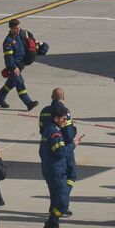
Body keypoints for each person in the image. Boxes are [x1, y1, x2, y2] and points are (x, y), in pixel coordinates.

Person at [39, 88, 78, 216]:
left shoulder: (44, 111)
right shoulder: (65, 112)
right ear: (63, 97)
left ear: (52, 96)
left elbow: (40, 128)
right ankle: (62, 203)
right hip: (63, 146)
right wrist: (72, 144)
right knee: (71, 175)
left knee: (52, 184)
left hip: (46, 148)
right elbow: (68, 132)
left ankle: (54, 205)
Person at [0, 19, 39, 111]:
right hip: (14, 66)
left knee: (10, 84)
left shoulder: (20, 35)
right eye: (16, 28)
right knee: (20, 83)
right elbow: (8, 58)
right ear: (11, 28)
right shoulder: (8, 41)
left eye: (19, 27)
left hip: (20, 65)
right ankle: (29, 103)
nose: (19, 30)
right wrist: (14, 67)